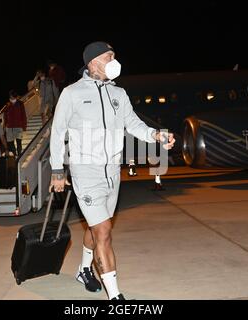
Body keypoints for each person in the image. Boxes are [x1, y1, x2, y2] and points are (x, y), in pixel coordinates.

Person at [49, 41, 175, 300]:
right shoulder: (71, 93)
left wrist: (156, 135)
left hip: (112, 173)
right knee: (104, 232)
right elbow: (57, 132)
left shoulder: (119, 94)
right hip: (86, 172)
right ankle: (115, 297)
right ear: (93, 62)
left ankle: (84, 269)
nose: (114, 60)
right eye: (109, 56)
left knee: (97, 227)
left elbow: (134, 124)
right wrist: (57, 170)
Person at [4, 90, 27, 157]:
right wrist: (5, 126)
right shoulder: (8, 105)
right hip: (9, 127)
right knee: (10, 143)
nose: (11, 99)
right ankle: (14, 154)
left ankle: (19, 155)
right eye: (10, 97)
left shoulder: (20, 104)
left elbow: (23, 115)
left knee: (18, 142)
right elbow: (5, 116)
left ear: (15, 97)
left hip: (18, 126)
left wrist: (24, 126)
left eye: (12, 97)